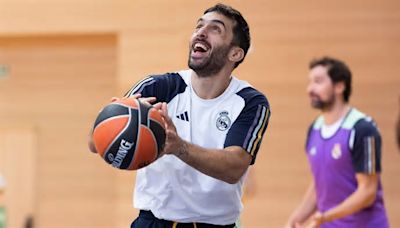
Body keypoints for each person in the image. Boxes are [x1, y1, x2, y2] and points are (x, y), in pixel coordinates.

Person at [89, 3, 271, 228]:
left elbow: (234, 167)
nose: (201, 32)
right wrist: (110, 117)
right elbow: (94, 144)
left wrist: (178, 147)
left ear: (235, 53)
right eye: (199, 26)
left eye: (216, 29)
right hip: (154, 222)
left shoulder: (250, 102)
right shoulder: (158, 86)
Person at [285, 57, 389, 228]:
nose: (310, 88)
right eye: (310, 82)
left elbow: (368, 191)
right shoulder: (314, 130)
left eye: (318, 81)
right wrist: (295, 219)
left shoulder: (363, 129)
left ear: (339, 86)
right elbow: (320, 185)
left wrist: (326, 217)